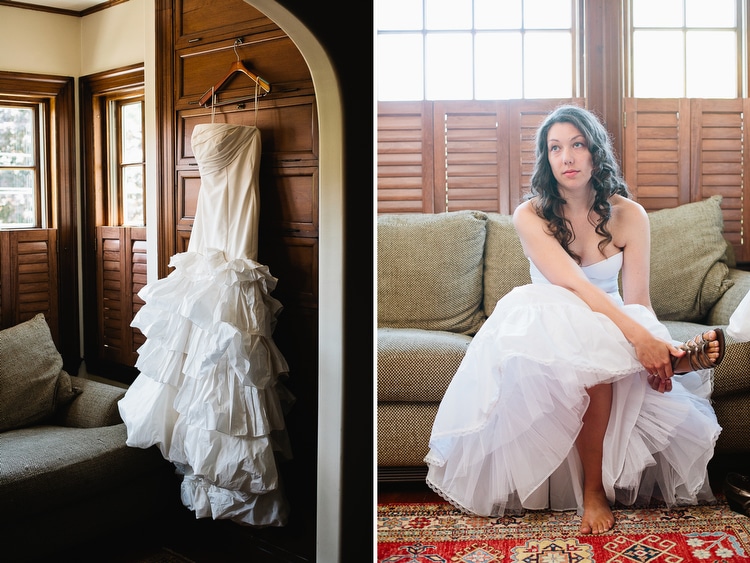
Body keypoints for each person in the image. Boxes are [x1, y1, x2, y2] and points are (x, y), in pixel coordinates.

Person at [424, 104, 725, 535]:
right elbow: (575, 287)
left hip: (608, 319)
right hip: (545, 320)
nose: (566, 157)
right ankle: (593, 491)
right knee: (593, 347)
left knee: (617, 329)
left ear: (594, 152)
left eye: (577, 145)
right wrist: (639, 342)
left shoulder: (630, 215)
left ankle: (663, 360)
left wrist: (649, 336)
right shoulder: (530, 214)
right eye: (555, 148)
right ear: (546, 159)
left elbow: (638, 299)